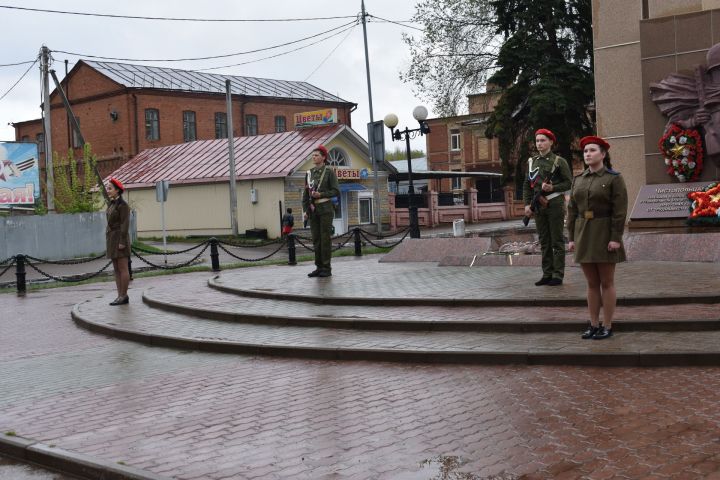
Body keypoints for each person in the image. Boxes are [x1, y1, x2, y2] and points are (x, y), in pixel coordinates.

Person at [567, 136, 628, 340]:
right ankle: (593, 324)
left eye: (592, 150)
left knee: (607, 282)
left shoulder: (613, 178)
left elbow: (619, 211)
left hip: (604, 233)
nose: (588, 154)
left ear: (603, 154)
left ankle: (607, 325)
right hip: (584, 233)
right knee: (592, 283)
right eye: (585, 151)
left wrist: (615, 237)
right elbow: (572, 211)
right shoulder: (578, 180)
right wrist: (571, 237)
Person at [523, 129, 572, 286]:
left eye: (543, 140)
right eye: (537, 141)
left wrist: (554, 188)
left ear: (551, 142)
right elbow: (526, 185)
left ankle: (557, 275)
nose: (539, 144)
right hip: (538, 205)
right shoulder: (532, 162)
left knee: (556, 240)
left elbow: (568, 183)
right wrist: (526, 204)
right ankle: (547, 273)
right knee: (544, 240)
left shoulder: (559, 161)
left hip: (554, 204)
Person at [302, 145, 339, 278]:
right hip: (313, 210)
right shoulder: (309, 173)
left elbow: (335, 191)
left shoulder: (329, 172)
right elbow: (306, 194)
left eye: (317, 155)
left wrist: (321, 195)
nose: (314, 157)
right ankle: (318, 267)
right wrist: (305, 210)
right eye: (313, 155)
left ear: (323, 157)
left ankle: (326, 267)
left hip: (325, 209)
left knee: (325, 239)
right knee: (316, 239)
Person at [106, 177, 131, 305]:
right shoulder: (112, 204)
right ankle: (119, 295)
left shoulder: (123, 205)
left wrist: (122, 241)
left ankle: (124, 295)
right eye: (107, 188)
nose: (108, 190)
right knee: (116, 269)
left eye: (110, 188)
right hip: (112, 239)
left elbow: (125, 224)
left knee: (123, 268)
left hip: (120, 238)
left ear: (117, 190)